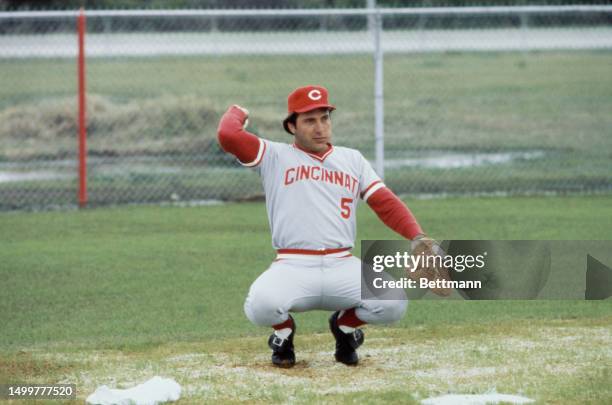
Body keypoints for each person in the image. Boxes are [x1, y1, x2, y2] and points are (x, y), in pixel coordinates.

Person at [216, 85, 430, 368]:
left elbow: (384, 202)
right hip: (293, 265)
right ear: (291, 126)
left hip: (341, 263)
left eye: (325, 118)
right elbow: (228, 135)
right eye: (309, 120)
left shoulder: (352, 159)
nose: (320, 128)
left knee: (393, 303)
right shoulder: (273, 155)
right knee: (260, 306)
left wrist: (417, 236)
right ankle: (283, 333)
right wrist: (237, 112)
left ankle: (343, 327)